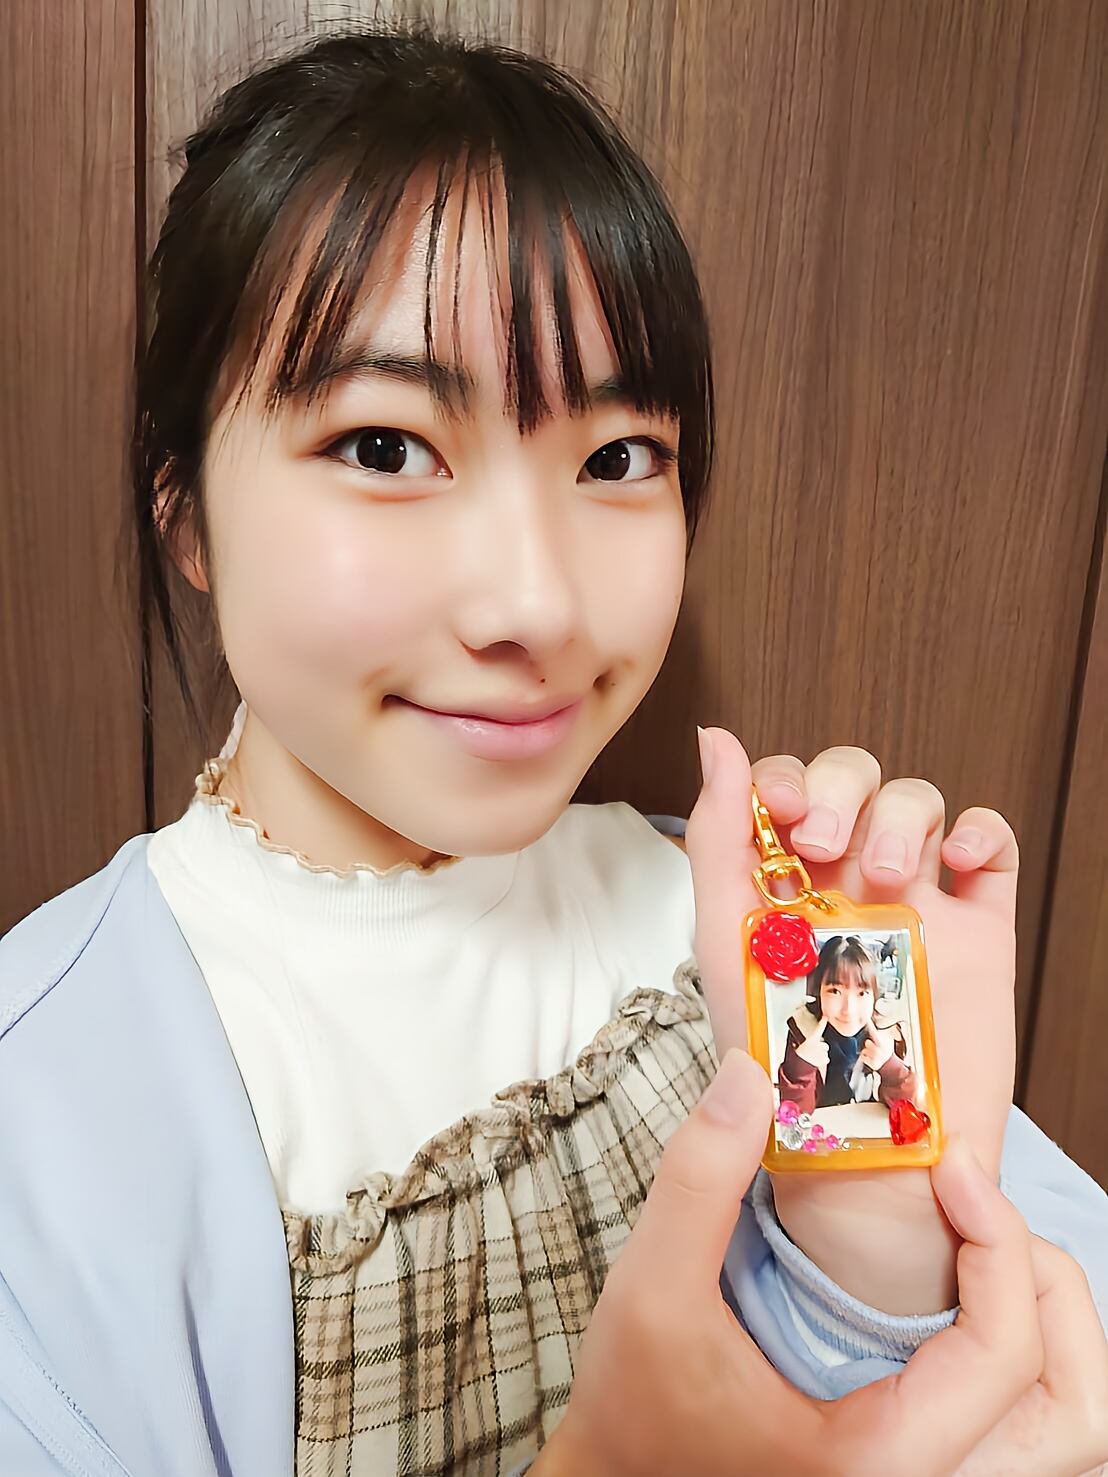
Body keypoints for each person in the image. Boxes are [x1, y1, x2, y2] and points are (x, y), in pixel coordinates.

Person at [0, 25, 1105, 1477]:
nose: (537, 604)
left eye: (615, 458)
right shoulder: (45, 1115)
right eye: (386, 448)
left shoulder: (766, 932)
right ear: (184, 508)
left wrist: (877, 1234)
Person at [778, 933, 917, 1115]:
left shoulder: (889, 1032)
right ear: (818, 991)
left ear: (874, 996)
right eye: (835, 991)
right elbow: (795, 1116)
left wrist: (891, 1068)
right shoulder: (803, 1030)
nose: (848, 1010)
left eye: (861, 993)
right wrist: (800, 1069)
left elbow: (908, 1113)